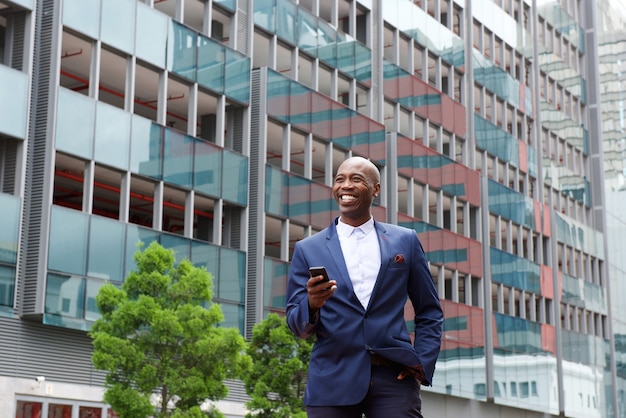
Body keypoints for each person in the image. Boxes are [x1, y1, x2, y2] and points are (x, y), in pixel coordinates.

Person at [286, 156, 444, 418]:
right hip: (332, 379)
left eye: (356, 179)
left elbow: (429, 311)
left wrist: (422, 362)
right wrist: (311, 305)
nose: (345, 186)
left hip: (394, 377)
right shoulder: (307, 249)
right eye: (340, 179)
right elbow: (296, 324)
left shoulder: (405, 241)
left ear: (375, 189)